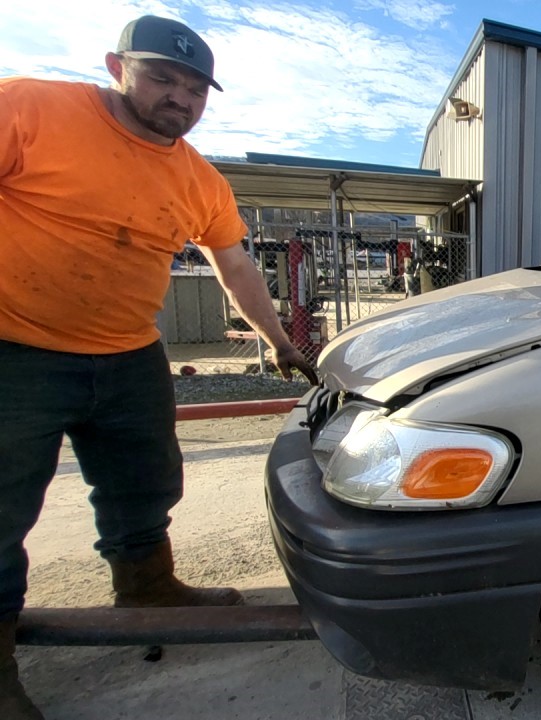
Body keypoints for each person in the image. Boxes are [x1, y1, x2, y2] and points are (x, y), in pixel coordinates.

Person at [0, 16, 317, 718]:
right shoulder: (27, 107)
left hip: (125, 352)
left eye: (195, 87)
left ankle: (145, 587)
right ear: (117, 67)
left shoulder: (197, 178)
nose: (181, 96)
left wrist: (279, 339)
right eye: (162, 78)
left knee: (145, 483)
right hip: (15, 349)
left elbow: (232, 262)